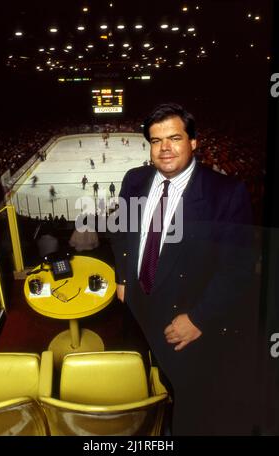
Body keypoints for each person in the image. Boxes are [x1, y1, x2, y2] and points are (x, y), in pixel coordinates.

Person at [110, 103, 256, 435]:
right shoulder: (134, 180)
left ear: (193, 142)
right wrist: (121, 278)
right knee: (137, 380)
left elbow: (238, 268)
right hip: (136, 304)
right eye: (155, 139)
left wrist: (200, 318)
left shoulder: (226, 193)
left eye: (174, 138)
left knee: (186, 397)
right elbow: (120, 231)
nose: (164, 148)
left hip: (184, 318)